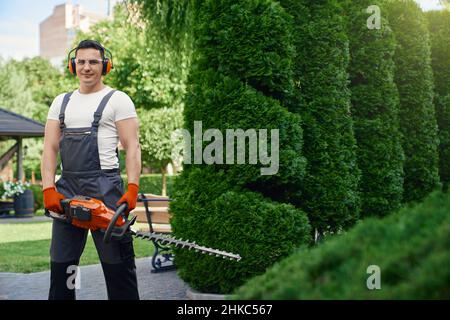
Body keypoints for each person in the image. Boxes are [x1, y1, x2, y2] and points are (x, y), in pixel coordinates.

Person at [41, 39, 141, 300]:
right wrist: (48, 188)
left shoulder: (118, 100)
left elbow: (132, 147)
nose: (87, 67)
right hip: (66, 193)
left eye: (93, 62)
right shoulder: (60, 103)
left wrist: (132, 187)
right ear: (73, 66)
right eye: (82, 62)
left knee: (118, 270)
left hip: (106, 191)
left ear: (105, 66)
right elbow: (50, 148)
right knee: (64, 270)